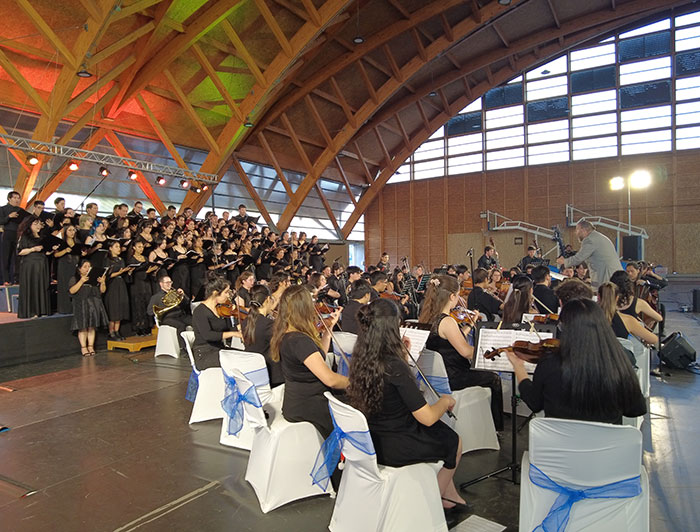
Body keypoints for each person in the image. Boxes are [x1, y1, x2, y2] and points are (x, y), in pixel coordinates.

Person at [348, 298, 466, 510]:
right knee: (454, 441)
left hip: (373, 437)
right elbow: (427, 417)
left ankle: (449, 493)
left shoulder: (361, 357)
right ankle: (433, 503)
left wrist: (402, 356)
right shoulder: (394, 366)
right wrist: (445, 400)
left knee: (442, 432)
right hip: (397, 443)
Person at [506, 299, 646, 424]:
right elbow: (636, 409)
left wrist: (519, 367)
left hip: (558, 449)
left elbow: (535, 403)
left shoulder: (549, 363)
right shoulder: (618, 362)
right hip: (607, 451)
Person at [419, 274, 504, 431]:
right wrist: (487, 351)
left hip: (434, 375)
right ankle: (496, 428)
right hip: (453, 376)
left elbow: (451, 340)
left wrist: (469, 326)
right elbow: (466, 352)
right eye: (458, 295)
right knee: (494, 378)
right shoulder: (447, 321)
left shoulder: (427, 317)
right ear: (452, 296)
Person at [269, 284, 348, 437]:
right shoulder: (299, 340)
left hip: (296, 402)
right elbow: (330, 379)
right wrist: (358, 383)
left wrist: (328, 332)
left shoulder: (286, 333)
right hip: (310, 405)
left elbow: (319, 359)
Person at [191, 274, 241, 370]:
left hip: (219, 349)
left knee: (247, 356)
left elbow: (225, 330)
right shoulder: (200, 311)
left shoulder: (220, 309)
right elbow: (208, 335)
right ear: (215, 293)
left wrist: (240, 327)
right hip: (205, 353)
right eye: (226, 292)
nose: (228, 295)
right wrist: (234, 333)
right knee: (238, 361)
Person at [556, 220, 621, 287]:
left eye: (577, 230)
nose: (576, 233)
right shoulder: (598, 237)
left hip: (606, 276)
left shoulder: (590, 240)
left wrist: (564, 261)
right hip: (611, 275)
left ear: (583, 230)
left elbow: (579, 258)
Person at [242, 284, 283, 387]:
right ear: (268, 299)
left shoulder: (246, 322)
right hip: (272, 376)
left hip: (254, 373)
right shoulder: (268, 324)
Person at [69, 260, 108, 356]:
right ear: (79, 269)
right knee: (82, 326)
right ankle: (83, 347)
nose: (87, 269)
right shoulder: (75, 278)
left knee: (92, 326)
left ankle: (91, 346)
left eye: (89, 267)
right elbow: (72, 291)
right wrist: (81, 281)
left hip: (93, 303)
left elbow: (102, 291)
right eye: (85, 266)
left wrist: (102, 282)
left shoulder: (94, 278)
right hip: (81, 304)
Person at [17, 216, 53, 318]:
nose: (38, 226)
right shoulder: (25, 236)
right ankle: (32, 311)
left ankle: (42, 309)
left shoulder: (42, 236)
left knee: (42, 285)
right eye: (35, 224)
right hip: (30, 265)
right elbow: (20, 251)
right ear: (29, 225)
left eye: (39, 224)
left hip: (42, 264)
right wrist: (33, 249)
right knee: (32, 286)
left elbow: (45, 251)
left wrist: (51, 250)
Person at [148, 275, 192, 343]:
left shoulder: (176, 293)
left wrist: (183, 295)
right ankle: (183, 349)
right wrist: (165, 308)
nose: (169, 284)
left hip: (180, 315)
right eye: (167, 282)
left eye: (170, 282)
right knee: (181, 326)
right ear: (161, 284)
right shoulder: (156, 297)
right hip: (167, 318)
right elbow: (150, 311)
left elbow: (186, 303)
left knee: (195, 321)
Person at [103, 240, 132, 340]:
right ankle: (111, 332)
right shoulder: (107, 260)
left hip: (121, 284)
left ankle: (117, 331)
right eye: (116, 247)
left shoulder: (121, 260)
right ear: (110, 248)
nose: (118, 249)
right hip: (112, 285)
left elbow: (123, 273)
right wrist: (120, 272)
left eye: (119, 247)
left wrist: (127, 272)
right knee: (113, 308)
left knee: (120, 308)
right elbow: (107, 275)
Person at [54, 224, 81, 314]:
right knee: (64, 286)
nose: (72, 232)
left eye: (73, 230)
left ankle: (75, 308)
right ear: (65, 231)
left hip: (75, 265)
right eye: (70, 230)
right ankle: (64, 309)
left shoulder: (77, 242)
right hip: (64, 265)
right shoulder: (61, 242)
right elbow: (56, 255)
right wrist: (65, 251)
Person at [0, 191, 23, 284]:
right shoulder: (3, 209)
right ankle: (5, 279)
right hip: (7, 233)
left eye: (18, 198)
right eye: (15, 198)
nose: (17, 200)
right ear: (9, 198)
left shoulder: (20, 210)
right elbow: (1, 221)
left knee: (17, 258)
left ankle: (16, 278)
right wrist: (9, 216)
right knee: (6, 257)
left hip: (17, 234)